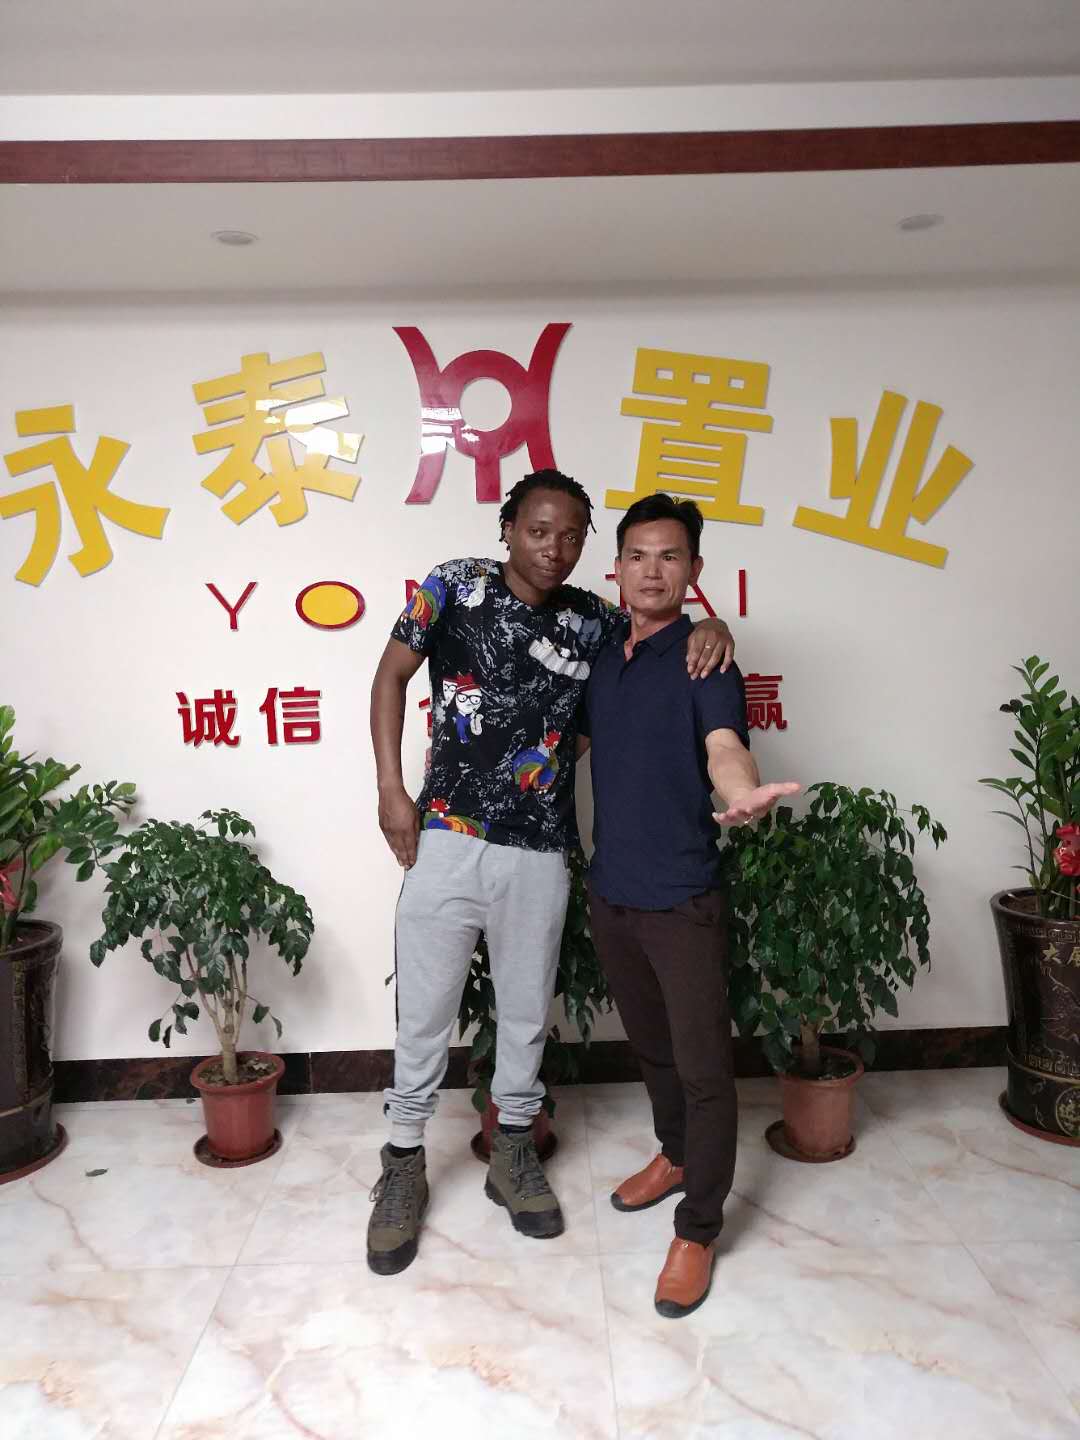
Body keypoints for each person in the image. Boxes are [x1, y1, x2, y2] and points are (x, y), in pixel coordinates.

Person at [366, 470, 735, 1276]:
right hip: (447, 837)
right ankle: (402, 1163)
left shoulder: (593, 619)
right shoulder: (453, 586)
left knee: (528, 1012)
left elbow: (660, 624)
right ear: (508, 528)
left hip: (541, 848)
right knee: (424, 1013)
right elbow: (390, 675)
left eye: (571, 536)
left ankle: (513, 1151)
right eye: (538, 531)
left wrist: (717, 627)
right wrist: (392, 790)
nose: (553, 548)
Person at [579, 492, 800, 1318]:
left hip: (682, 900)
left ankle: (698, 1228)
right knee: (653, 1050)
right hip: (612, 893)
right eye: (638, 556)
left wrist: (741, 796)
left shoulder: (710, 663)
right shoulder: (603, 652)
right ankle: (674, 1156)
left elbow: (724, 745)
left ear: (694, 570)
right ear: (616, 567)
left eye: (670, 557)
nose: (652, 571)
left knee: (704, 1069)